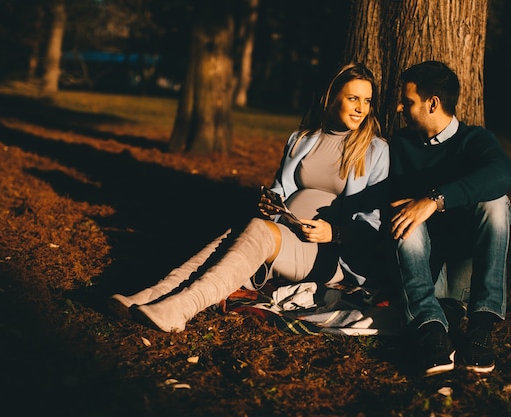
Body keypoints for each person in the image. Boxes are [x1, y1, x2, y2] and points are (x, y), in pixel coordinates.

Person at [108, 62, 390, 332]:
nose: (361, 108)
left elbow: (373, 222)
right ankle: (151, 296)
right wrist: (270, 204)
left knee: (254, 230)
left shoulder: (376, 150)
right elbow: (281, 189)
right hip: (284, 234)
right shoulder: (302, 140)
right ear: (332, 97)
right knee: (232, 237)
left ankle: (180, 310)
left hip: (328, 254)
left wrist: (335, 233)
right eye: (354, 98)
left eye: (367, 101)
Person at [388, 60, 511, 376]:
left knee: (496, 203)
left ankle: (482, 326)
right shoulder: (400, 144)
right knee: (405, 216)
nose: (400, 107)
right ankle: (431, 330)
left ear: (433, 103)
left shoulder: (474, 139)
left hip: (464, 269)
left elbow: (502, 174)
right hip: (423, 268)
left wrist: (434, 200)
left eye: (408, 101)